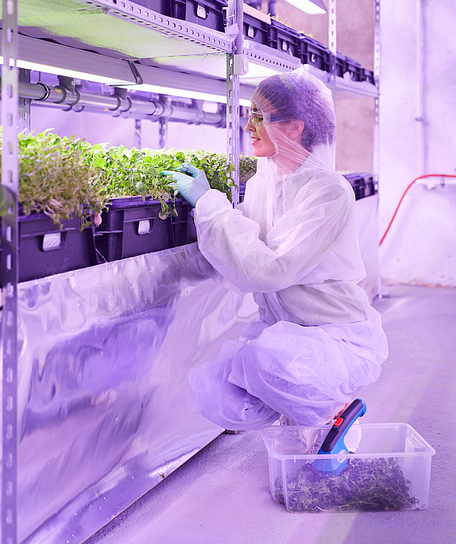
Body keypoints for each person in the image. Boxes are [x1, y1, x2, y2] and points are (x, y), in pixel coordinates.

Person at [163, 67, 388, 431]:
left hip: (333, 335)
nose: (248, 128)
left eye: (259, 117)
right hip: (284, 333)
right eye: (248, 116)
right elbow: (240, 253)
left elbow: (267, 270)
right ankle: (301, 405)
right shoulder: (261, 186)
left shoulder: (327, 191)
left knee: (263, 362)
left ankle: (336, 412)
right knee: (216, 392)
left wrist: (210, 203)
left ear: (295, 127)